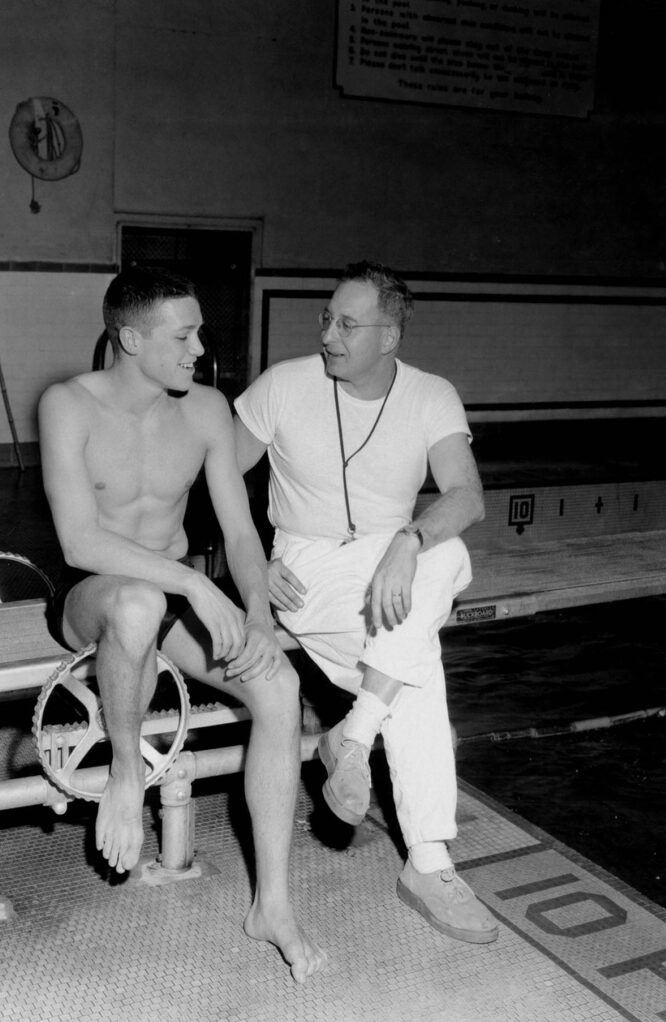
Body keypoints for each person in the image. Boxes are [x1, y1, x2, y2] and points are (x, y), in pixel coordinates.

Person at [38, 266, 326, 983]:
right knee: (136, 602)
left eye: (198, 332)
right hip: (94, 597)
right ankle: (127, 774)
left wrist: (256, 615)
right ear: (130, 337)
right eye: (184, 334)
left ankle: (275, 907)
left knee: (280, 687)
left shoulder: (205, 410)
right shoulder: (68, 405)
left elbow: (240, 533)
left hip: (169, 599)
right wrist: (197, 585)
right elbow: (80, 542)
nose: (201, 347)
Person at [234, 261, 498, 945]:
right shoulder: (283, 387)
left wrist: (410, 539)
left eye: (347, 324)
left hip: (390, 561)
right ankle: (427, 860)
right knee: (417, 669)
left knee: (446, 551)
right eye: (326, 318)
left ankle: (354, 734)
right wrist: (251, 564)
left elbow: (466, 497)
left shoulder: (431, 394)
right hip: (305, 566)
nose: (327, 334)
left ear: (390, 335)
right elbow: (211, 472)